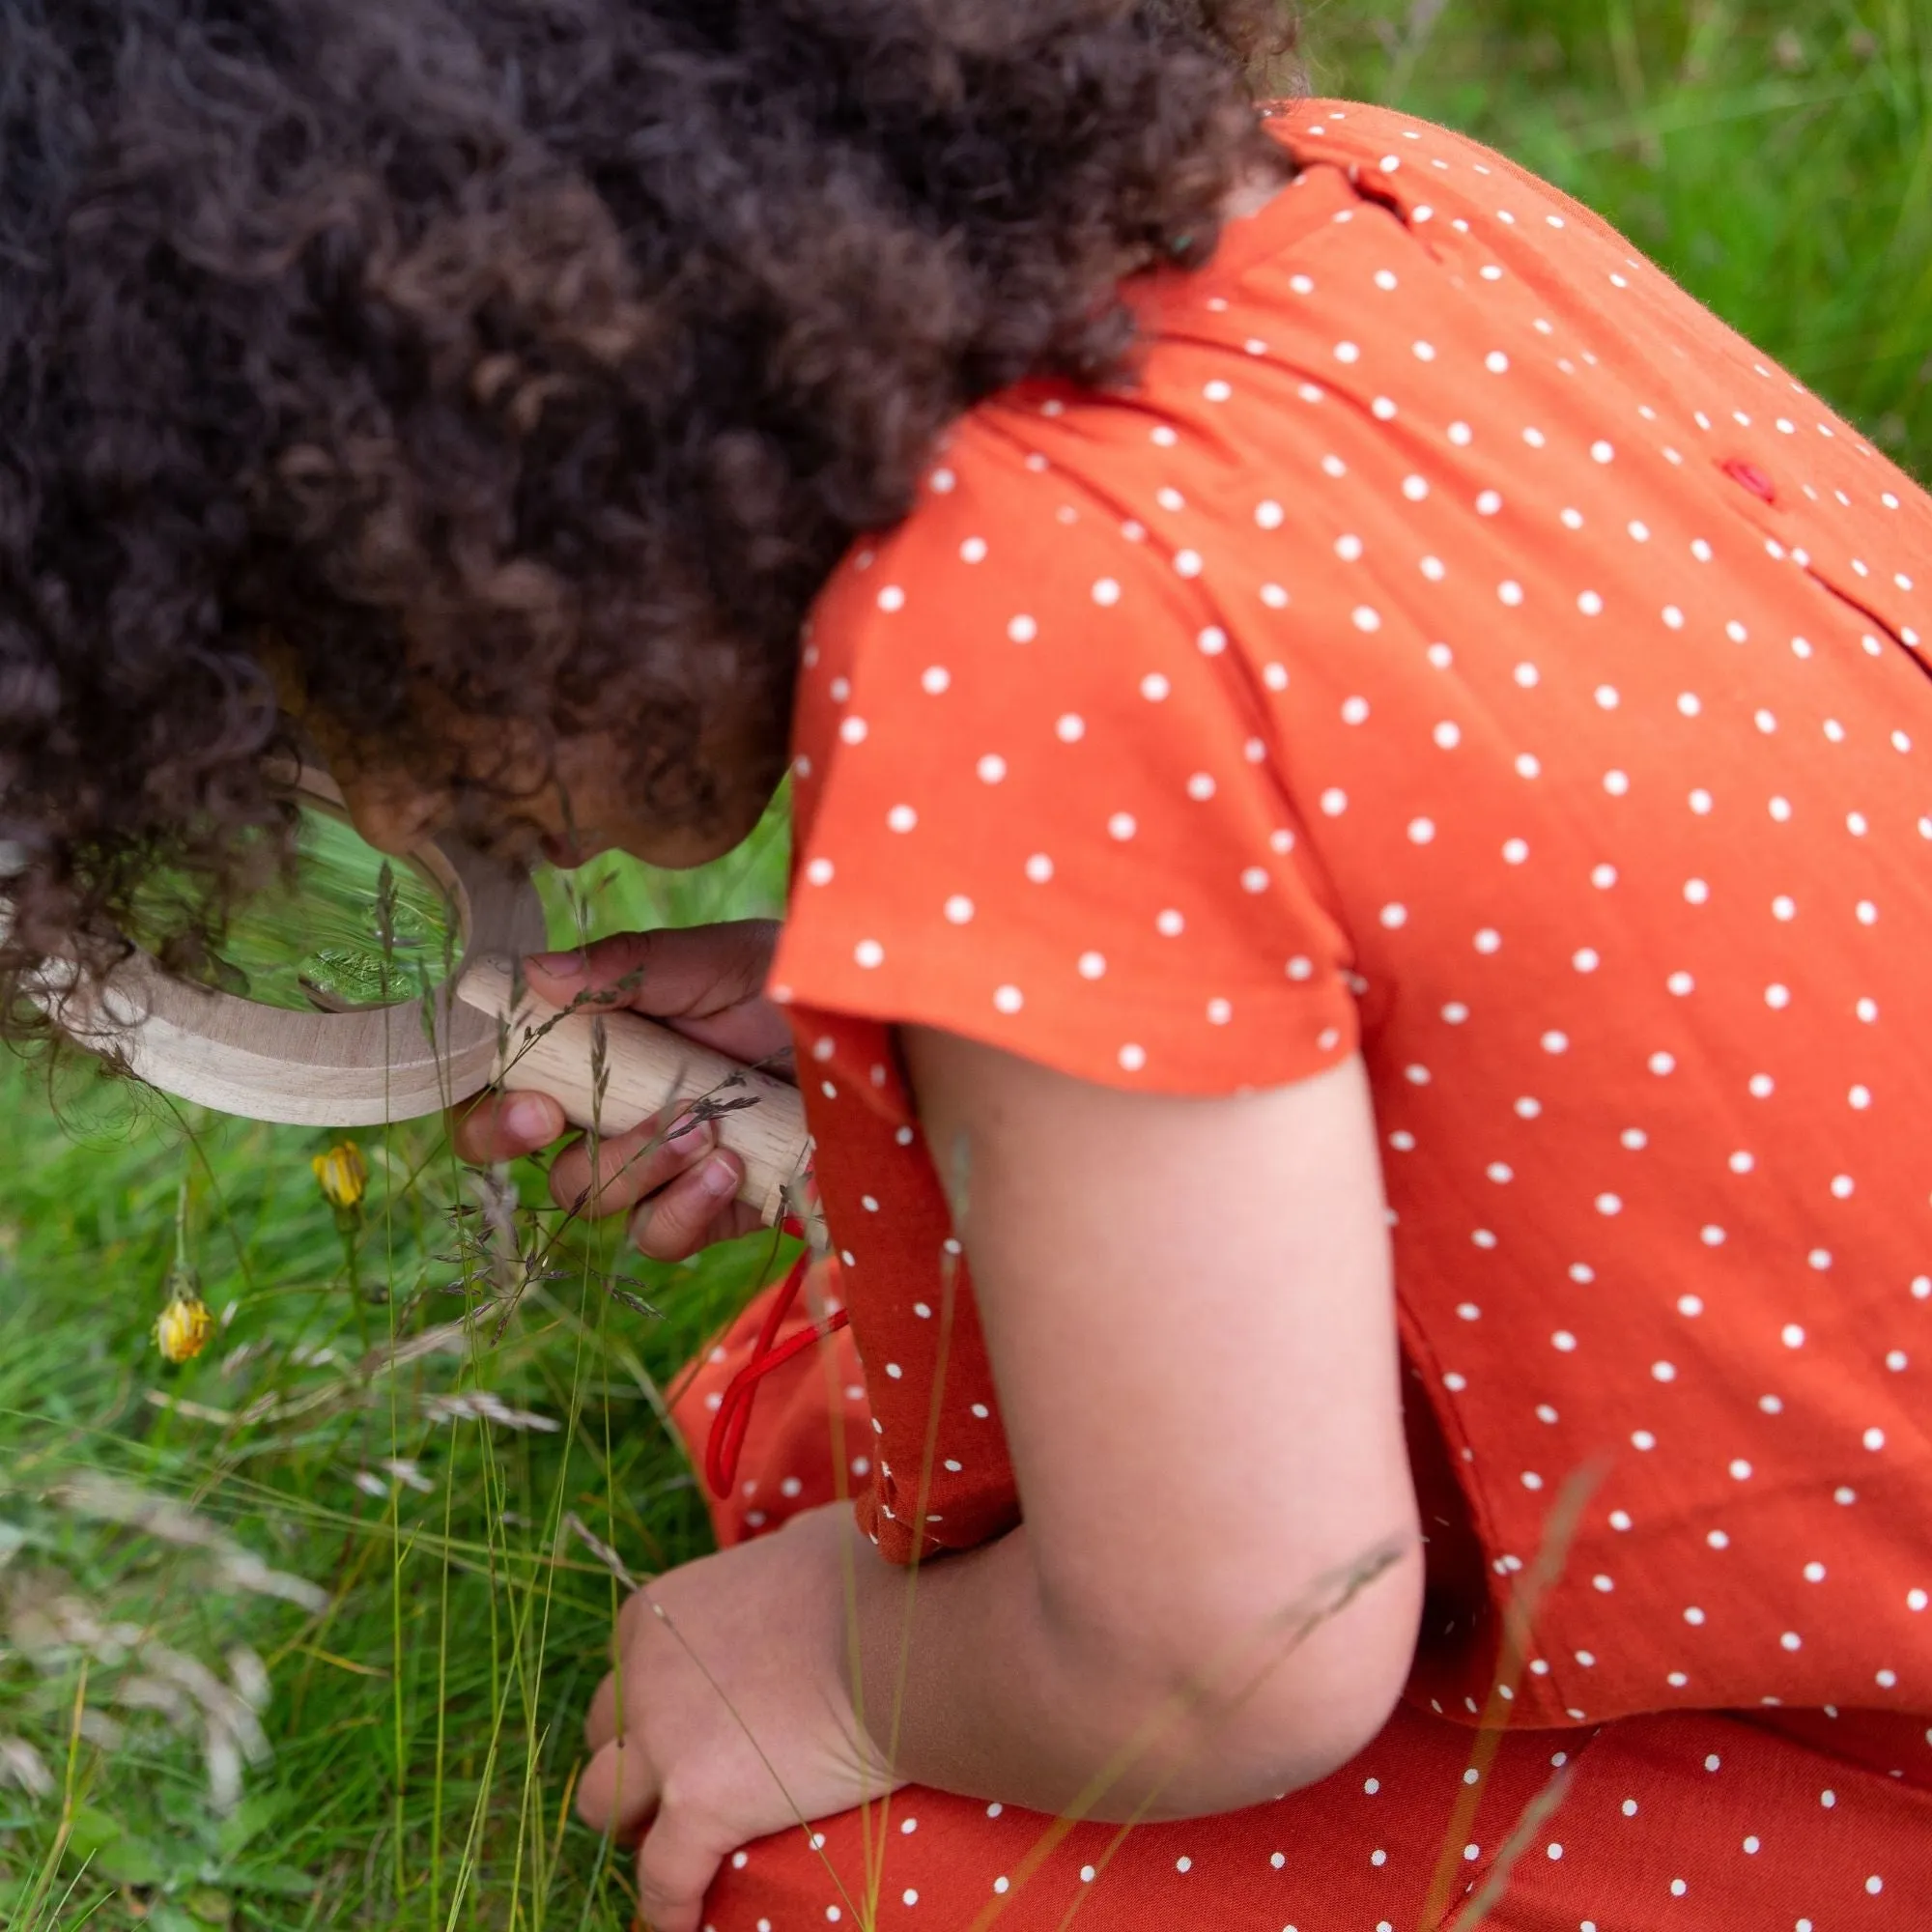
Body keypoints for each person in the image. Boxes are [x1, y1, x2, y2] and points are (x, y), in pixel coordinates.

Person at [4, 4, 1928, 1927]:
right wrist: (925, 1010)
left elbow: (1237, 1644)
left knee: (816, 1847)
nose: (379, 785)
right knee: (923, 1425)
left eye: (318, 655)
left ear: (491, 439)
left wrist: (840, 1664)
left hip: (1861, 1704)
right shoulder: (1366, 201)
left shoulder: (1013, 648)